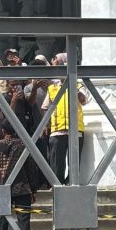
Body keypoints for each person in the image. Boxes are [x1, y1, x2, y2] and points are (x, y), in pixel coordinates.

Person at [42, 53, 88, 184]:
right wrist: (46, 125)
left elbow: (83, 100)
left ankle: (70, 184)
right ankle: (58, 185)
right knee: (57, 161)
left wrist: (72, 83)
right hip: (57, 129)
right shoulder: (52, 88)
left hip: (75, 129)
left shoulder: (78, 85)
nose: (53, 62)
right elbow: (45, 107)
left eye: (56, 60)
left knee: (74, 162)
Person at [0, 121, 37, 230]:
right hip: (21, 187)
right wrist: (33, 189)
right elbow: (31, 169)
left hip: (2, 187)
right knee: (23, 219)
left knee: (2, 219)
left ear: (3, 131)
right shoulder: (23, 145)